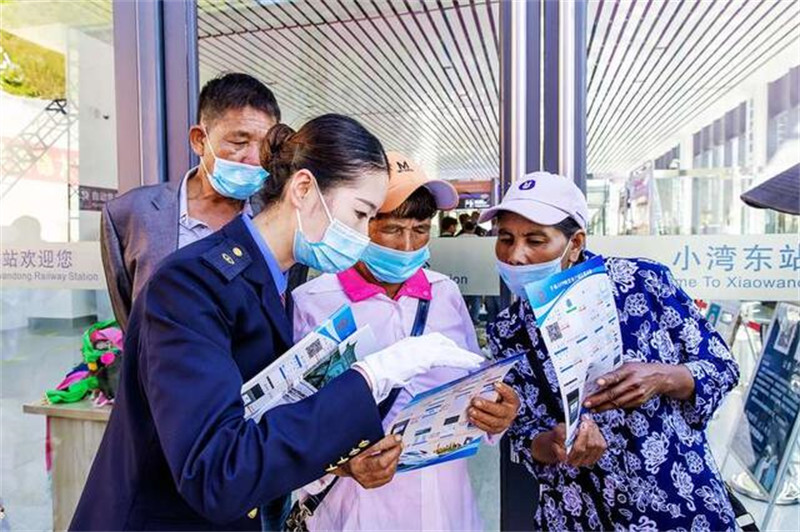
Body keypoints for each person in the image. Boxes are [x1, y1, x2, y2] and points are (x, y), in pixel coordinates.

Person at [70, 116, 483, 531]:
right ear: (303, 189)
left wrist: (340, 463)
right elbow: (217, 472)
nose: (361, 237)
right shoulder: (192, 285)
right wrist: (370, 376)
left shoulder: (275, 281)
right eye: (361, 215)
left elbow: (263, 427)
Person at [484, 172, 740, 531]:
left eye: (535, 240)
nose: (516, 256)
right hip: (577, 515)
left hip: (680, 506)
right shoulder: (507, 332)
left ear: (575, 243)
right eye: (506, 239)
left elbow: (722, 366)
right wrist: (553, 443)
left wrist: (663, 377)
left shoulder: (643, 283)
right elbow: (522, 435)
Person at [291, 152, 519, 530]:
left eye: (420, 228)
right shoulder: (314, 303)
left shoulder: (444, 294)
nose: (408, 246)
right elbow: (291, 421)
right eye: (392, 229)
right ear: (359, 223)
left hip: (446, 505)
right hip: (358, 510)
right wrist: (344, 465)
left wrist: (496, 416)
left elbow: (475, 387)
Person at [101, 73, 305, 330]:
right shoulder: (130, 213)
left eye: (264, 148)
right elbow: (131, 316)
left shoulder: (278, 213)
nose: (254, 158)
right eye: (239, 142)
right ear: (199, 140)